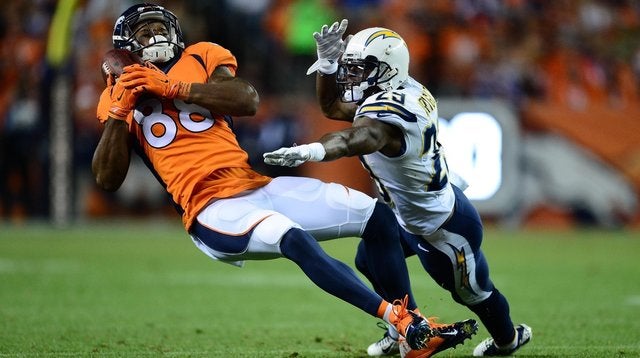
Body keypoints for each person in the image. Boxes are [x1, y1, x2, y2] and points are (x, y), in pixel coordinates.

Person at [92, 4, 476, 356]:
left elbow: (247, 100)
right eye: (145, 32)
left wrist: (173, 87)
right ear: (127, 45)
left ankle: (407, 333)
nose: (156, 36)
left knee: (376, 217)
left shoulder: (200, 55)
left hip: (254, 184)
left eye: (161, 27)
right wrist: (119, 108)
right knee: (292, 236)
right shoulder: (116, 94)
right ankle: (404, 323)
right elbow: (107, 178)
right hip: (211, 207)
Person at [264, 20, 532, 357]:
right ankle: (406, 328)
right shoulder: (402, 90)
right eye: (351, 67)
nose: (352, 76)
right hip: (409, 214)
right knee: (369, 257)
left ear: (388, 70)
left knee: (473, 294)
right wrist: (329, 66)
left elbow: (356, 138)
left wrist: (314, 150)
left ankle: (508, 340)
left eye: (360, 69)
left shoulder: (388, 116)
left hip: (440, 228)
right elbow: (333, 107)